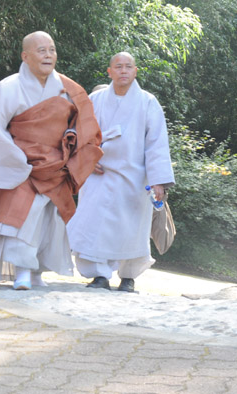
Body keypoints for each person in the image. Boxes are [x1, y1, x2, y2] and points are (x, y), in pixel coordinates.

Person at [0, 31, 103, 290]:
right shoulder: (7, 88)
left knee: (49, 220)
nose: (48, 55)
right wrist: (16, 158)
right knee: (18, 216)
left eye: (51, 49)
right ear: (25, 56)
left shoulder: (69, 90)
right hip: (19, 164)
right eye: (41, 50)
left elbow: (84, 127)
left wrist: (77, 153)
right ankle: (22, 271)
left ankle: (37, 270)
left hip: (54, 165)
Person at [66, 51, 175, 292]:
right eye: (118, 66)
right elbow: (78, 131)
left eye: (128, 66)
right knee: (92, 222)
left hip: (135, 177)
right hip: (99, 173)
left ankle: (128, 277)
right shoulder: (94, 99)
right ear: (109, 71)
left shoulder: (148, 102)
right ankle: (99, 275)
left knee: (132, 227)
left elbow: (157, 143)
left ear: (135, 71)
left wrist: (159, 181)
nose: (123, 71)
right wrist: (85, 158)